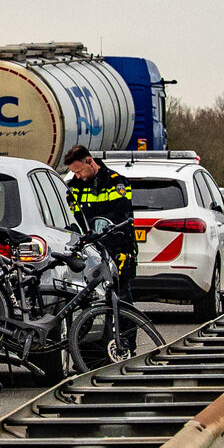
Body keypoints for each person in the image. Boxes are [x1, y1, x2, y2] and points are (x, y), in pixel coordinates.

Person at [63, 145, 138, 343]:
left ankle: (127, 346)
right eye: (73, 173)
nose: (77, 176)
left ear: (90, 161)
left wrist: (102, 235)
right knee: (91, 301)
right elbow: (72, 217)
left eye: (79, 171)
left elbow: (121, 214)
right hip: (88, 252)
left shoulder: (116, 182)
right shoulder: (73, 187)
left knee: (121, 300)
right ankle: (95, 351)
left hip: (117, 249)